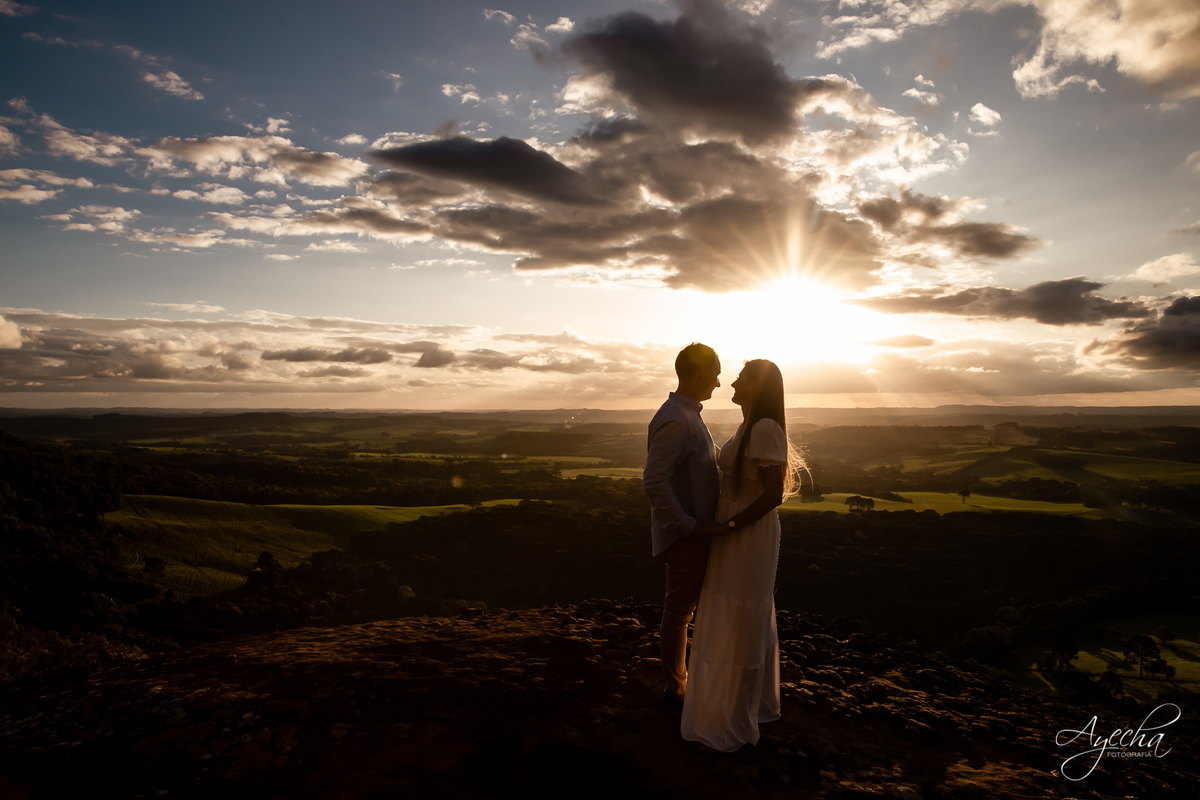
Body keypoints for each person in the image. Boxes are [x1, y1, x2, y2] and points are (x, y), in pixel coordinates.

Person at [681, 359, 802, 752]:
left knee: (740, 615)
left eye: (741, 379)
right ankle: (740, 706)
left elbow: (771, 495)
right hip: (733, 527)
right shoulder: (749, 425)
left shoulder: (764, 429)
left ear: (756, 388)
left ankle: (734, 717)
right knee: (730, 609)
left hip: (748, 532)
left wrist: (729, 526)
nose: (732, 383)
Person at [643, 342, 722, 712]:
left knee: (684, 611)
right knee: (679, 613)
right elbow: (654, 480)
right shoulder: (677, 418)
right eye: (716, 374)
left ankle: (685, 684)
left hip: (695, 533)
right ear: (701, 372)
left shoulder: (687, 414)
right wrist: (688, 526)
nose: (718, 383)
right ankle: (676, 690)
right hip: (687, 536)